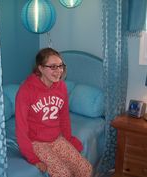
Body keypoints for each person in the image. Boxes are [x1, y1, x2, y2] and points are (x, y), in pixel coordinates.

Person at [15, 48, 92, 177]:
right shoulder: (26, 91)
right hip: (36, 143)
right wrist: (33, 158)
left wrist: (68, 140)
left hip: (56, 139)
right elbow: (21, 128)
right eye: (53, 67)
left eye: (60, 66)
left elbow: (64, 118)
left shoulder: (61, 87)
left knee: (85, 169)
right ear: (40, 68)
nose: (59, 71)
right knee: (63, 174)